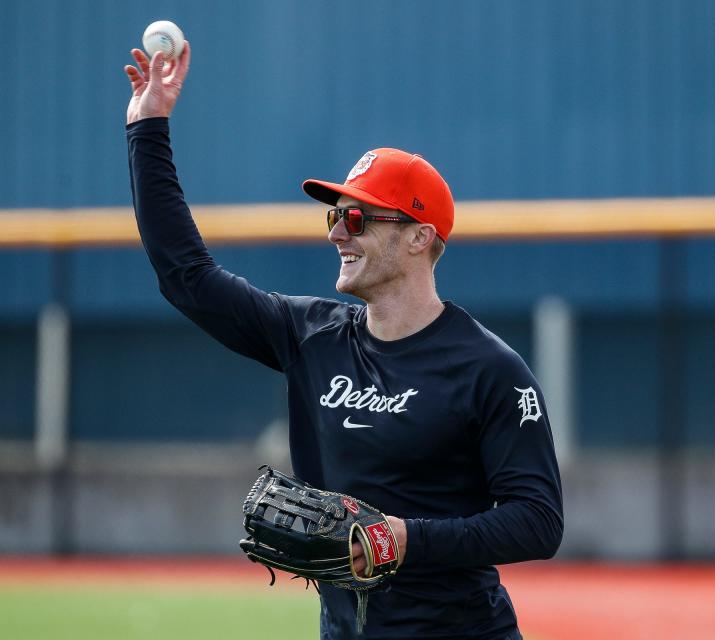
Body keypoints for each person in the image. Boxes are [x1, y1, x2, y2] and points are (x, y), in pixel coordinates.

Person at [124, 42, 563, 640]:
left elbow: (538, 522)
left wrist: (407, 539)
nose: (337, 233)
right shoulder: (311, 335)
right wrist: (148, 127)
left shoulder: (489, 368)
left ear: (417, 237)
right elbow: (187, 276)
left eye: (356, 218)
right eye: (333, 216)